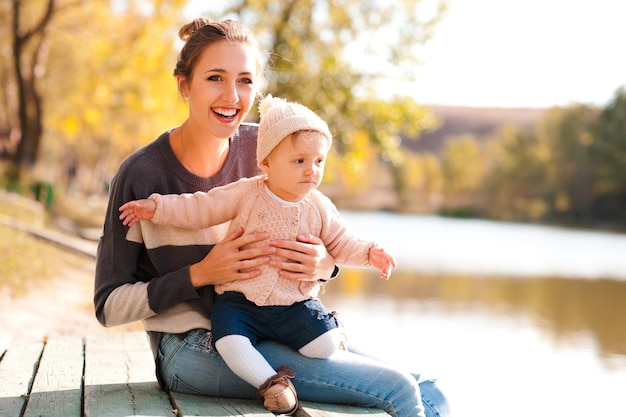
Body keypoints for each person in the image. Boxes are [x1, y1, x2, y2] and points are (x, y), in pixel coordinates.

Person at [94, 17, 451, 417]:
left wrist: (325, 265)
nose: (232, 95)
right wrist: (198, 274)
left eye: (245, 80)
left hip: (277, 322)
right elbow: (108, 306)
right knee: (399, 390)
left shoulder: (269, 147)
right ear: (184, 85)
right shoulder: (142, 175)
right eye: (215, 77)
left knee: (431, 391)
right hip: (194, 347)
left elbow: (319, 226)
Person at [118, 94, 397, 414]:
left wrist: (370, 253)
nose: (311, 171)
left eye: (319, 161)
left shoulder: (319, 206)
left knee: (326, 347)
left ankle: (330, 329)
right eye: (299, 161)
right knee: (228, 341)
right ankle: (273, 384)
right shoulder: (248, 192)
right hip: (239, 301)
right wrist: (157, 207)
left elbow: (341, 241)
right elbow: (201, 207)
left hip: (294, 304)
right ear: (266, 162)